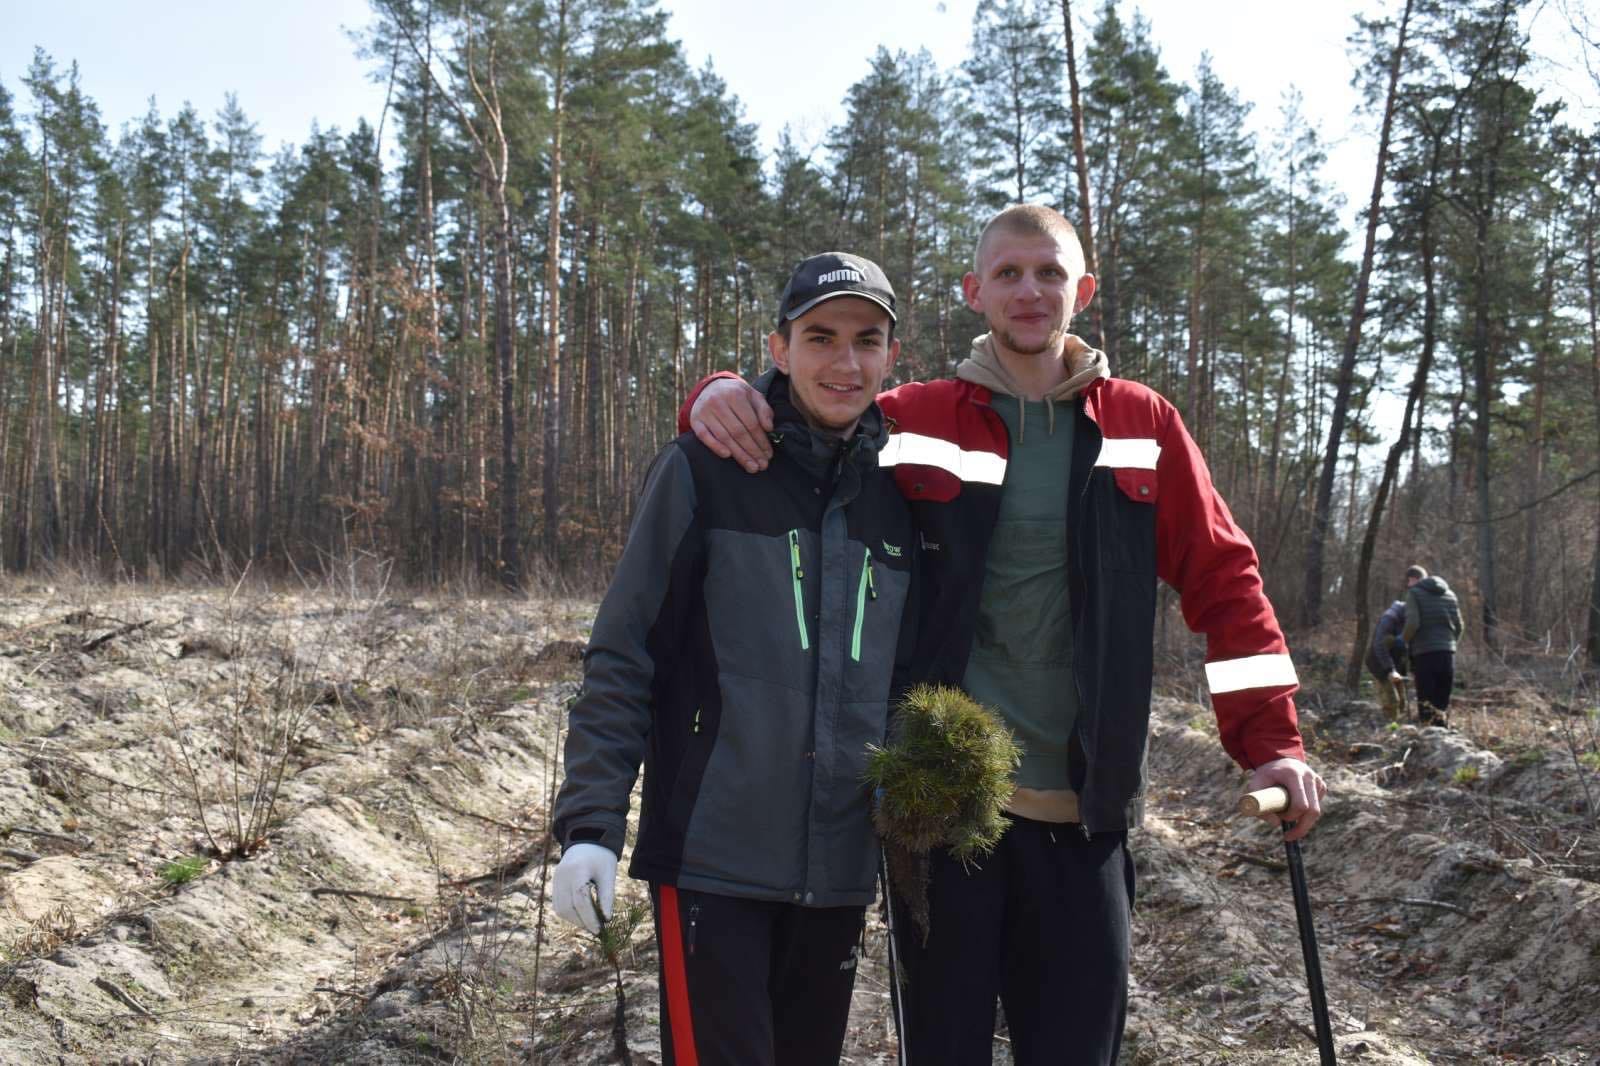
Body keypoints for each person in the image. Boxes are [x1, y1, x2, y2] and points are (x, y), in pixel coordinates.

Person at [680, 204, 1326, 1066]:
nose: (1031, 291)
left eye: (1050, 272)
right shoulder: (914, 417)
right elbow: (812, 411)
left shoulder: (1143, 425)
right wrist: (720, 391)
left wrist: (1271, 744)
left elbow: (1226, 583)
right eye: (1010, 273)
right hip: (942, 822)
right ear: (974, 290)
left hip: (1084, 812)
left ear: (1082, 291)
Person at [550, 252, 917, 1066]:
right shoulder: (703, 472)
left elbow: (905, 683)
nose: (844, 361)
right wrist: (590, 825)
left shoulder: (900, 503)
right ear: (779, 349)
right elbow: (625, 655)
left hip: (838, 876)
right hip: (714, 866)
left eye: (867, 339)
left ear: (893, 358)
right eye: (820, 337)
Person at [1402, 564, 1463, 726]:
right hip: (1447, 653)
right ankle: (1444, 736)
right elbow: (1460, 626)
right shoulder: (1450, 594)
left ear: (1413, 579)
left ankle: (1429, 739)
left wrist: (1403, 641)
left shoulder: (1414, 594)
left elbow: (1412, 623)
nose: (1408, 585)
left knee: (1426, 701)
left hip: (1424, 653)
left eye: (1408, 581)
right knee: (1442, 700)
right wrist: (1450, 644)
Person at [1366, 598, 1409, 720]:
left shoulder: (1411, 621)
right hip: (1380, 663)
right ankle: (1390, 730)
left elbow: (1405, 648)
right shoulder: (1389, 618)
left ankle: (1400, 731)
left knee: (1402, 702)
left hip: (1396, 664)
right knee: (1391, 701)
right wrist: (1390, 670)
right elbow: (1379, 645)